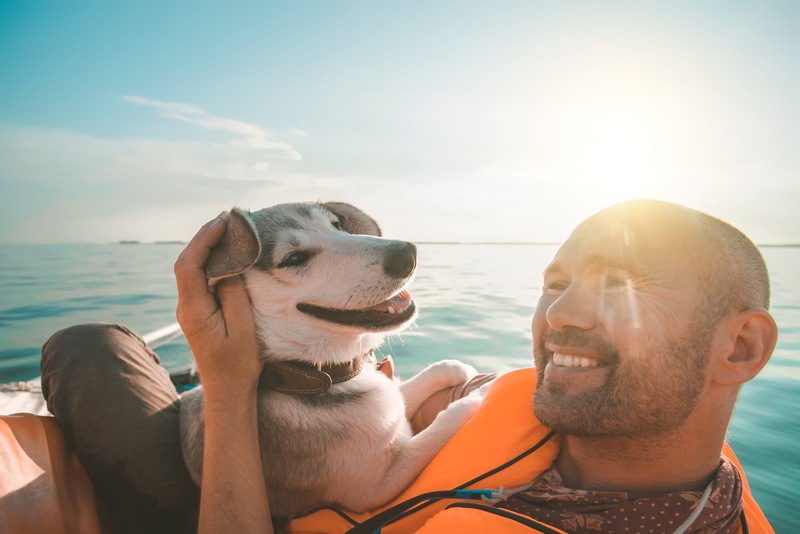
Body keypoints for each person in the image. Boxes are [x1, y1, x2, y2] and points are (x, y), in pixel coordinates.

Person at [40, 199, 777, 533]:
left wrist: (229, 389)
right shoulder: (657, 450)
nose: (559, 318)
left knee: (82, 346)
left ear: (740, 348)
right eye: (554, 284)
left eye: (623, 287)